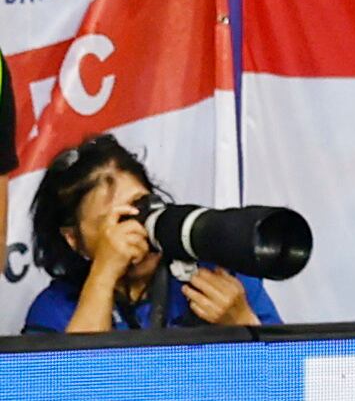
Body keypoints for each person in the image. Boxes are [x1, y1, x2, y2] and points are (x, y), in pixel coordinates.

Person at [22, 134, 277, 332]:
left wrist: (242, 322)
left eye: (141, 205)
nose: (136, 226)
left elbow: (291, 383)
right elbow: (76, 392)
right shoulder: (56, 310)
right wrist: (105, 273)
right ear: (74, 240)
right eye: (117, 220)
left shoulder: (219, 276)